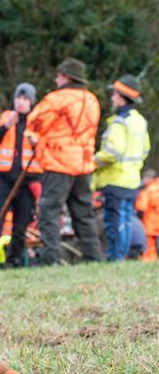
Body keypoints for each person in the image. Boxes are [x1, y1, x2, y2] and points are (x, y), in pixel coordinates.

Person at [28, 58, 102, 265]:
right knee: (83, 212)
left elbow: (35, 121)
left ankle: (51, 256)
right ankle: (92, 255)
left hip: (58, 162)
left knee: (49, 211)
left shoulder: (56, 99)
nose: (56, 78)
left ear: (66, 77)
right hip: (83, 164)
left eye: (58, 75)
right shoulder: (92, 100)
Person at [0, 83, 43, 268]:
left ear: (31, 101)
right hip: (4, 180)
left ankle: (14, 260)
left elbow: (47, 148)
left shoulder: (37, 121)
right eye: (18, 98)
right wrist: (4, 127)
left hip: (28, 180)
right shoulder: (4, 118)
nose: (21, 102)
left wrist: (37, 141)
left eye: (25, 99)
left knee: (21, 224)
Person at [92, 75, 151, 261]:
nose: (112, 98)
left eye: (115, 94)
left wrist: (92, 161)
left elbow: (112, 152)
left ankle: (115, 257)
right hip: (132, 180)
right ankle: (121, 256)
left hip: (115, 180)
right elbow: (145, 149)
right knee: (125, 220)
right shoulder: (139, 121)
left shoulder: (119, 122)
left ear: (122, 97)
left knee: (114, 222)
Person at [136, 169, 159, 261]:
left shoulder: (148, 190)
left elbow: (141, 207)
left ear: (150, 179)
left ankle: (150, 259)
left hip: (151, 221)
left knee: (149, 243)